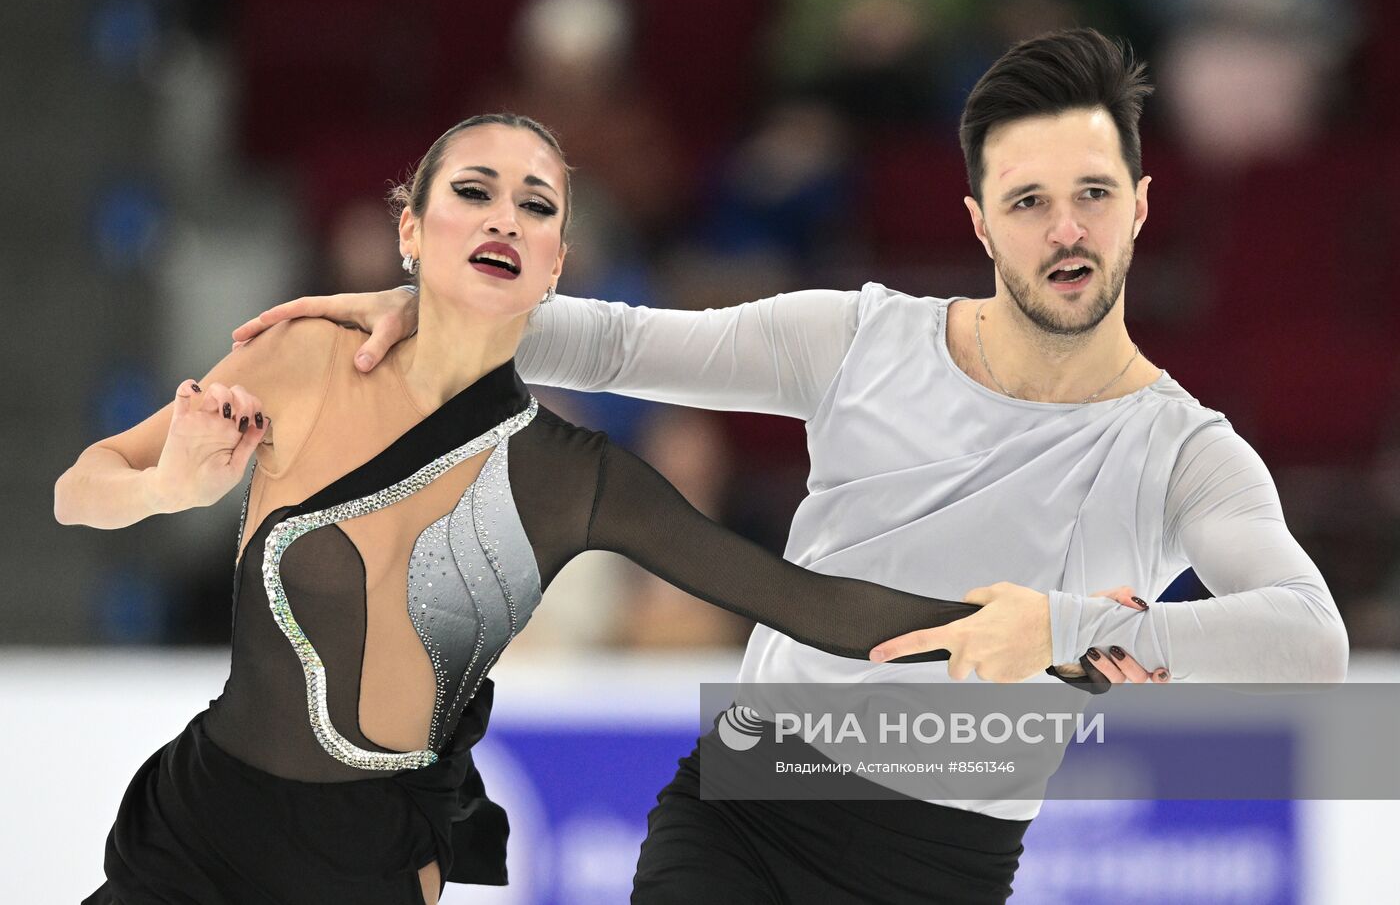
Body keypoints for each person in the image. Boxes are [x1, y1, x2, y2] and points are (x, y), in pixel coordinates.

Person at [233, 29, 1349, 905]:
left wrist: (1056, 629)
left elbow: (1307, 641)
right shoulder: (858, 340)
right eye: (1027, 201)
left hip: (933, 865)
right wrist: (432, 316)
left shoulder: (1181, 451)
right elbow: (622, 342)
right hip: (745, 802)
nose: (1065, 231)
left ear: (1142, 206)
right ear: (977, 221)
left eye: (1092, 195)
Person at [54, 113, 1112, 905]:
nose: (505, 217)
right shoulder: (296, 354)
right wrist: (165, 485)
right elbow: (78, 486)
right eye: (473, 191)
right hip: (197, 823)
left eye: (537, 205)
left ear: (558, 262)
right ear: (410, 230)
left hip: (368, 862)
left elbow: (806, 601)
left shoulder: (568, 477)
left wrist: (1057, 633)